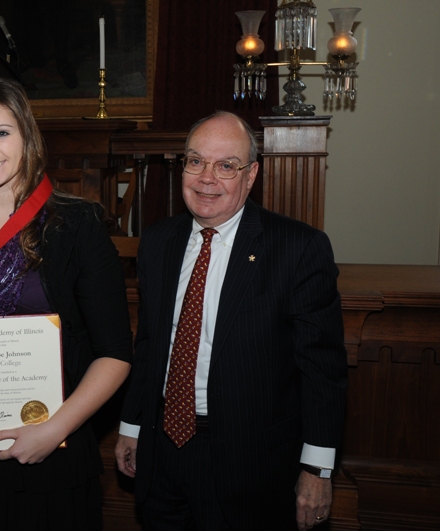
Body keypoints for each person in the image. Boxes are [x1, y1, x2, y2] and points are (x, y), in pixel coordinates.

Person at [0, 77, 133, 530]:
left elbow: (114, 353)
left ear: (27, 136)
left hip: (49, 454)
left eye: (1, 132)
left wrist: (54, 430)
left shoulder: (77, 225)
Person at [115, 111, 348, 531]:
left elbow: (322, 370)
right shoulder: (158, 240)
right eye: (196, 161)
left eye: (226, 165)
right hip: (161, 450)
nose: (207, 178)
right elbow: (149, 343)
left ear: (251, 174)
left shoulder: (297, 248)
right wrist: (132, 425)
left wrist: (317, 468)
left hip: (250, 465)